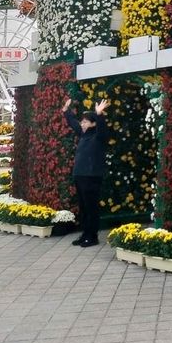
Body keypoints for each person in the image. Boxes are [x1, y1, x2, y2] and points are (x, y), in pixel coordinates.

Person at [62, 97, 110, 247]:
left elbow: (102, 128)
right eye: (82, 122)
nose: (82, 124)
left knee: (91, 207)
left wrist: (99, 114)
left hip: (92, 176)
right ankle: (85, 234)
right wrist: (66, 111)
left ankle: (92, 236)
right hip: (80, 175)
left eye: (85, 122)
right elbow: (73, 123)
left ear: (93, 123)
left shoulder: (99, 136)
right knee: (83, 207)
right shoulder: (84, 135)